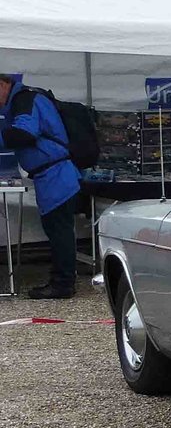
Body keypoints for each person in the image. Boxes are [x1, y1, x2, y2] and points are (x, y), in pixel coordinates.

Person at [0, 74, 82, 299]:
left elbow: (24, 133)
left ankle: (63, 285)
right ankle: (61, 280)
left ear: (3, 84)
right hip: (52, 175)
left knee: (59, 231)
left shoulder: (24, 100)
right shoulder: (23, 99)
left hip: (57, 175)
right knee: (57, 229)